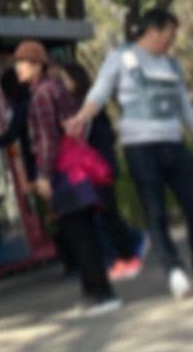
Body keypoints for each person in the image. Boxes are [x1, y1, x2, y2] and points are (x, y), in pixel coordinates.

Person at [66, 6, 193, 300]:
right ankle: (175, 272)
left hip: (174, 144)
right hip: (140, 147)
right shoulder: (121, 57)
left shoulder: (171, 66)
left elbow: (186, 108)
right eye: (170, 34)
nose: (172, 41)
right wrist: (82, 117)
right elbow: (101, 90)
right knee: (155, 213)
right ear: (154, 31)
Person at [14, 40, 122, 316]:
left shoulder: (40, 95)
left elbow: (48, 139)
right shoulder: (58, 89)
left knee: (79, 234)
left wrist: (45, 176)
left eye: (23, 62)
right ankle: (92, 293)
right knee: (84, 230)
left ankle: (102, 294)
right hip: (77, 169)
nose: (18, 67)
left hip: (63, 172)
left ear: (38, 64)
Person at [55, 60, 147, 282]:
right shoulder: (71, 105)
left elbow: (104, 137)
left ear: (76, 79)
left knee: (108, 213)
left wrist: (105, 165)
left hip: (98, 168)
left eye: (63, 79)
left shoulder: (88, 105)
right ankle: (121, 255)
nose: (60, 84)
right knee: (101, 216)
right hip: (88, 170)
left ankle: (129, 251)